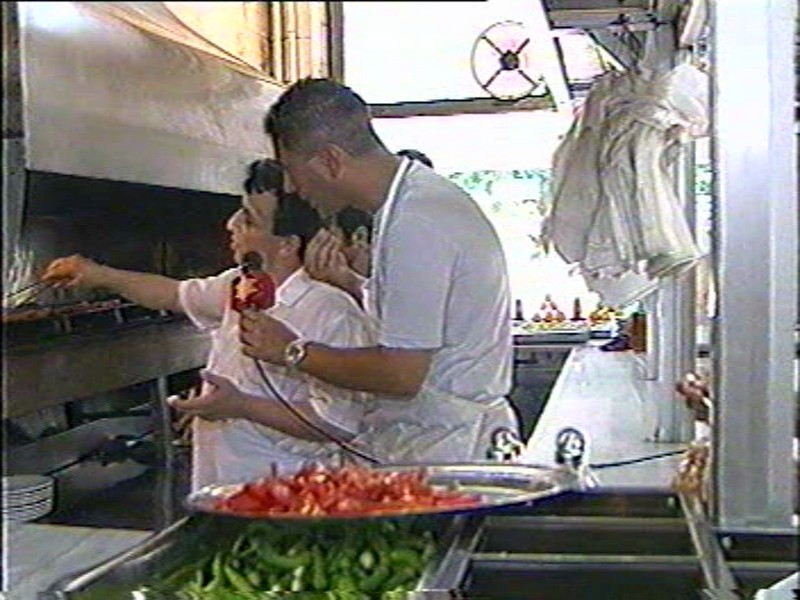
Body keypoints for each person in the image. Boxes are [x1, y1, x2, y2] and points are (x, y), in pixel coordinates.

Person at [42, 159, 376, 489]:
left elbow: (337, 424)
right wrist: (97, 274)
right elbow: (173, 294)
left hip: (286, 491)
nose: (231, 224)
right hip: (222, 481)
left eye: (249, 220)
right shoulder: (239, 284)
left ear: (287, 244)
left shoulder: (331, 310)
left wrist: (240, 406)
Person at [239, 78, 520, 464]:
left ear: (331, 161)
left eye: (290, 170)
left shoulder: (415, 221)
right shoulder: (412, 203)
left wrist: (292, 350)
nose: (291, 186)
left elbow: (401, 375)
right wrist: (352, 284)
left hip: (446, 450)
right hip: (434, 442)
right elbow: (425, 317)